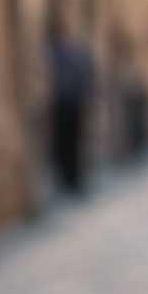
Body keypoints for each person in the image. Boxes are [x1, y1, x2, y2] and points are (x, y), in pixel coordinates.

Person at [48, 15, 95, 193]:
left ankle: (72, 180)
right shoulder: (58, 51)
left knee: (70, 143)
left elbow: (84, 76)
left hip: (69, 103)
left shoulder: (70, 52)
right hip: (64, 103)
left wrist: (85, 97)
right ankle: (69, 179)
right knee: (65, 143)